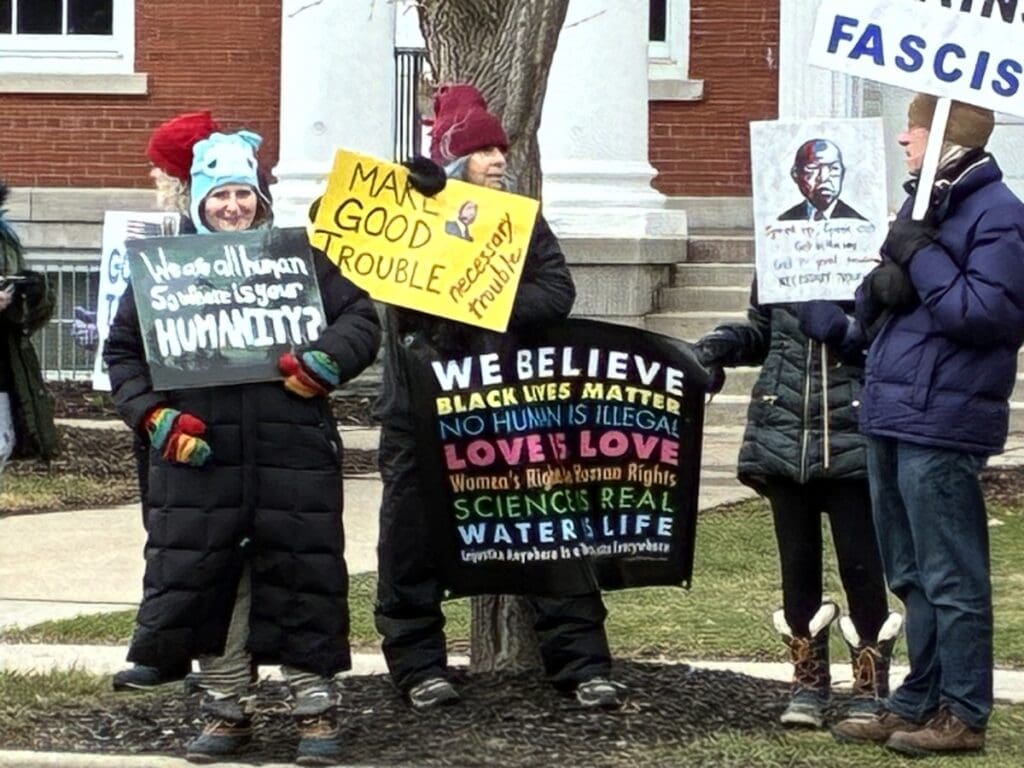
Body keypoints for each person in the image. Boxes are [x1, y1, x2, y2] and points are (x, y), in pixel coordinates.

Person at [104, 130, 381, 765]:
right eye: (220, 194)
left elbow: (361, 320)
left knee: (302, 575)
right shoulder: (163, 269)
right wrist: (155, 420)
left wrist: (324, 363)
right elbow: (123, 356)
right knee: (210, 579)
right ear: (198, 201)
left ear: (259, 198)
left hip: (294, 453)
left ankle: (316, 709)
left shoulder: (299, 258)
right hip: (200, 460)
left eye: (243, 193)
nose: (234, 206)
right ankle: (226, 710)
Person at [374, 83, 625, 712]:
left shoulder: (522, 222)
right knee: (410, 540)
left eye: (499, 150)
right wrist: (409, 195)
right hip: (421, 410)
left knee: (549, 531)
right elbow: (343, 234)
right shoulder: (412, 214)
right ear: (456, 161)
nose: (497, 160)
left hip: (508, 406)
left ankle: (582, 663)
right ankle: (417, 667)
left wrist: (482, 298)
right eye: (484, 151)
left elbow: (557, 293)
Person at [830, 96, 1024, 756]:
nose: (902, 141)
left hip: (942, 418)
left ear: (948, 138)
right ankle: (919, 698)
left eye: (913, 128)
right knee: (910, 573)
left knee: (952, 575)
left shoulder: (999, 216)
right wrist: (870, 295)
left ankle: (963, 711)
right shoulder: (923, 208)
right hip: (893, 409)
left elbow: (987, 316)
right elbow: (898, 307)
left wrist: (921, 258)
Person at [693, 276, 898, 726]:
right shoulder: (779, 255)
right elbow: (764, 332)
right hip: (784, 433)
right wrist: (721, 344)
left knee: (861, 564)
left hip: (853, 432)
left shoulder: (876, 254)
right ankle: (808, 682)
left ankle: (870, 681)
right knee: (797, 562)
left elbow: (895, 335)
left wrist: (848, 330)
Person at [110, 110, 221, 693]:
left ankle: (226, 663)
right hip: (167, 418)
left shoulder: (264, 251)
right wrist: (149, 413)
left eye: (161, 170)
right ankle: (162, 651)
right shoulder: (157, 258)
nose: (153, 179)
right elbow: (123, 349)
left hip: (232, 420)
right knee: (170, 535)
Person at [0, 182, 58, 482]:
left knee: (2, 444)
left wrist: (31, 293)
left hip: (4, 368)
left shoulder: (5, 238)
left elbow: (27, 321)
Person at [778, 139, 866, 222]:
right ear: (795, 174)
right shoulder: (783, 223)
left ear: (842, 173)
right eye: (813, 168)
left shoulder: (857, 224)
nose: (824, 178)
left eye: (834, 168)